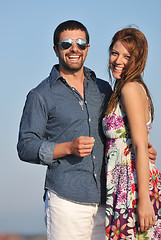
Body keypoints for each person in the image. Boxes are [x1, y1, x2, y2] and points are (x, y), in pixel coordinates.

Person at [17, 20, 156, 240]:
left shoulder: (104, 89)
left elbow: (120, 133)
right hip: (66, 200)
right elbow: (25, 146)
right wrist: (67, 148)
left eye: (81, 43)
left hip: (108, 200)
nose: (74, 48)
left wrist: (138, 149)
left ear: (88, 48)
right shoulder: (40, 95)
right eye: (66, 43)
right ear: (56, 49)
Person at [102, 27, 161, 239]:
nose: (118, 61)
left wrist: (143, 201)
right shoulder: (124, 89)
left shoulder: (129, 89)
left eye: (127, 56)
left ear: (138, 61)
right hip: (125, 185)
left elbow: (139, 145)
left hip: (134, 187)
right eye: (115, 53)